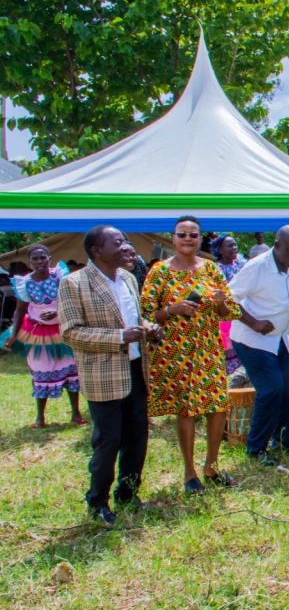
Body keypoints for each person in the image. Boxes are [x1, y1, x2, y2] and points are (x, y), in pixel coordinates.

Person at [58, 226, 163, 526]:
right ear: (96, 251)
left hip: (135, 368)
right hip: (103, 375)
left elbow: (133, 318)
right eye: (117, 242)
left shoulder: (128, 278)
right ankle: (98, 502)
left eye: (124, 240)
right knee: (108, 440)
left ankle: (128, 493)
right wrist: (119, 337)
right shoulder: (74, 283)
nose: (125, 246)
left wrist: (148, 328)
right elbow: (71, 332)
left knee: (137, 437)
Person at [141, 216, 241, 494]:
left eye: (193, 235)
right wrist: (172, 310)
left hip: (208, 348)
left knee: (217, 405)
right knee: (186, 408)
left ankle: (211, 466)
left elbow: (230, 311)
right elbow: (146, 313)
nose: (188, 239)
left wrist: (220, 304)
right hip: (175, 351)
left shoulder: (211, 269)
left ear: (200, 239)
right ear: (173, 238)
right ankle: (189, 472)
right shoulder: (159, 272)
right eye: (182, 234)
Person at [228, 226, 289, 466]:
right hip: (252, 338)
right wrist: (254, 323)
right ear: (277, 246)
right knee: (271, 389)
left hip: (281, 336)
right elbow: (228, 299)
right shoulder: (256, 267)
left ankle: (283, 442)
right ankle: (256, 448)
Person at [3, 244, 84, 428]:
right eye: (35, 259)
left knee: (71, 370)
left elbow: (72, 301)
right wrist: (13, 335)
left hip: (62, 330)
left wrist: (57, 311)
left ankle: (76, 413)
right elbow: (20, 310)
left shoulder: (60, 277)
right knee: (40, 371)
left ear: (49, 258)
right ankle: (40, 417)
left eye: (43, 257)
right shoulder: (24, 283)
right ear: (29, 262)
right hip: (37, 332)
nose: (40, 262)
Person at [216, 236, 247, 374]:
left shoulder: (241, 265)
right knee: (229, 349)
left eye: (235, 245)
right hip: (226, 315)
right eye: (230, 246)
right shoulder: (216, 269)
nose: (234, 248)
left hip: (244, 312)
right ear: (220, 250)